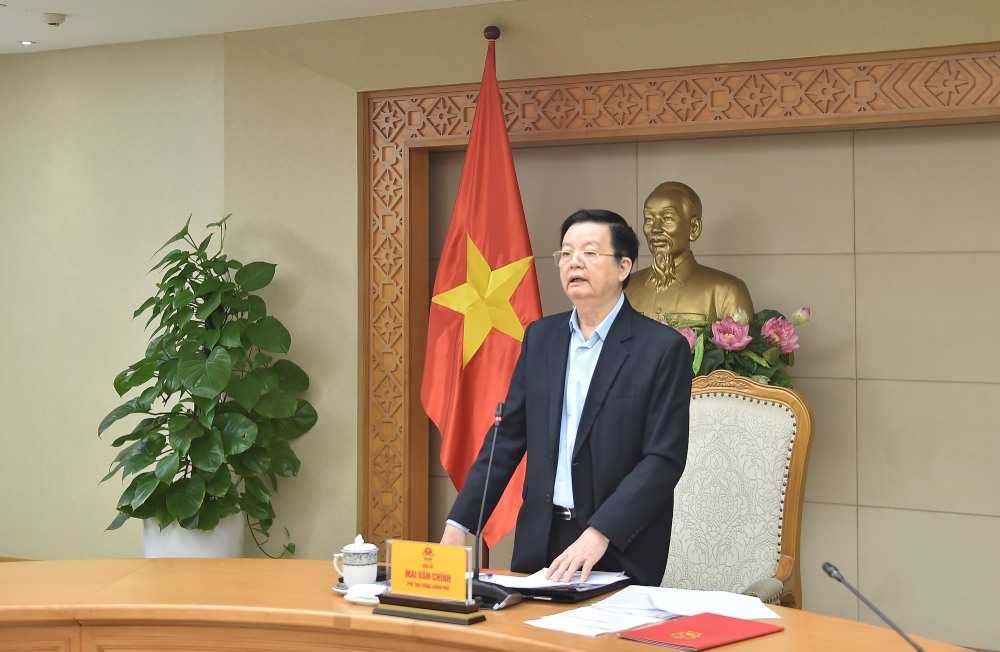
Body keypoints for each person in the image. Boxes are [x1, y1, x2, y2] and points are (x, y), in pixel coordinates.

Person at [440, 209, 692, 587]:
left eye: (590, 252)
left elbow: (663, 460)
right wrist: (459, 524)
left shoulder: (661, 349)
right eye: (566, 253)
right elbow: (507, 438)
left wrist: (599, 533)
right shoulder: (541, 338)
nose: (574, 262)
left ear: (624, 267)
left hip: (616, 544)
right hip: (539, 538)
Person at [626, 181, 754, 322]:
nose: (655, 229)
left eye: (667, 218)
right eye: (649, 219)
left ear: (694, 228)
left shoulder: (727, 291)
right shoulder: (624, 289)